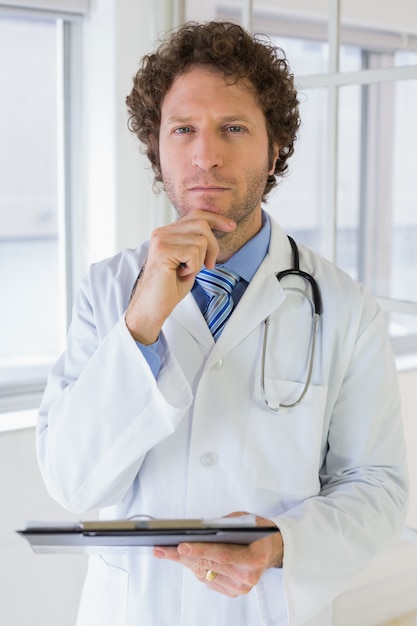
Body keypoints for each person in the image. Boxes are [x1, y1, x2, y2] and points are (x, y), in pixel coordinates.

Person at [36, 20, 408, 626]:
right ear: (157, 145)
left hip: (266, 611)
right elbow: (73, 484)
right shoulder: (108, 292)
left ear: (276, 146)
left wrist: (283, 542)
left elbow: (379, 487)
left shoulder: (345, 307)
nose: (205, 155)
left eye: (233, 128)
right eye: (183, 129)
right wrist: (141, 324)